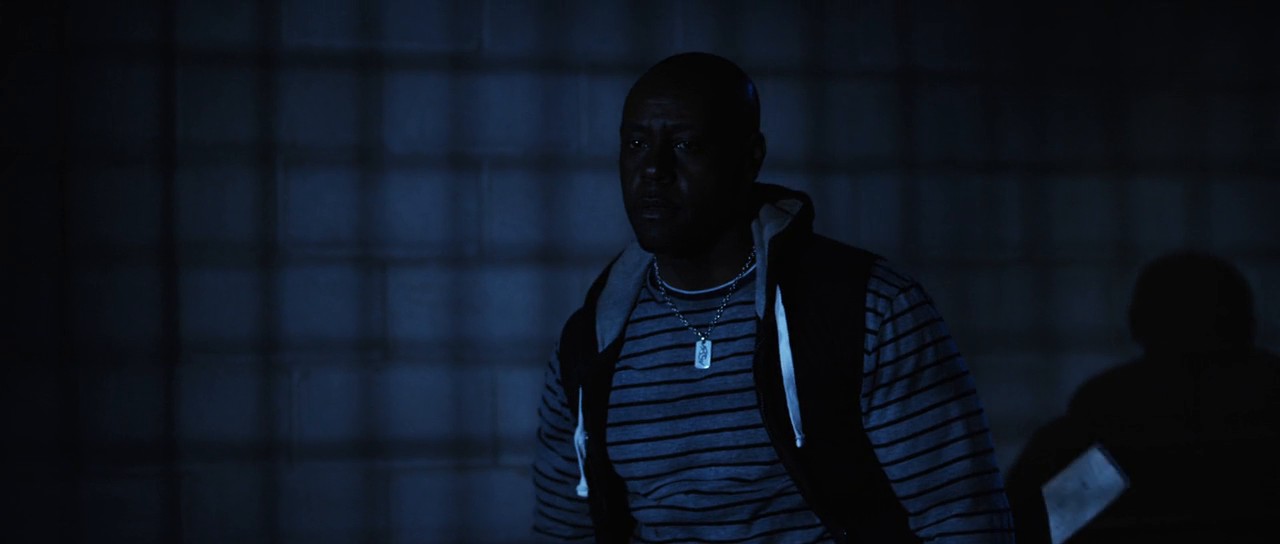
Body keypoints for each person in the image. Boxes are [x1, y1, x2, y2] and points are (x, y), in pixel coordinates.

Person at [532, 52, 1015, 543]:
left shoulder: (868, 309)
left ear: (750, 158)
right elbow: (564, 532)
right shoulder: (590, 343)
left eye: (685, 144)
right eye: (636, 143)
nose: (654, 168)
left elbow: (962, 516)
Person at [1006, 251, 1280, 543]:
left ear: (1137, 323)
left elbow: (1028, 527)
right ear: (1248, 321)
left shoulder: (1107, 417)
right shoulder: (1269, 398)